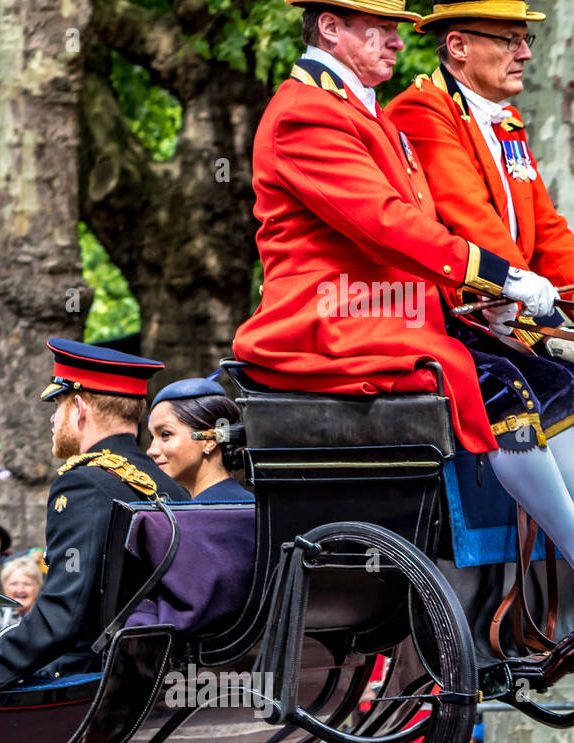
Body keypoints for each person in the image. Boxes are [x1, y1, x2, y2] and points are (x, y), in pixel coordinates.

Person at [232, 0, 574, 567]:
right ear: (330, 28)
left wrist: (485, 297)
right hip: (332, 317)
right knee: (502, 387)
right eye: (382, 28)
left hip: (397, 310)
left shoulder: (361, 109)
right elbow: (388, 225)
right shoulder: (305, 113)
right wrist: (502, 277)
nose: (396, 41)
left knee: (553, 379)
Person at [386, 2, 574, 548]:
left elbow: (549, 230)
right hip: (452, 310)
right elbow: (470, 217)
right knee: (529, 388)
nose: (523, 53)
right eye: (509, 39)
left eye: (526, 41)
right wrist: (513, 285)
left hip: (505, 308)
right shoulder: (422, 109)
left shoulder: (505, 121)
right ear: (459, 46)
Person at [0, 338, 180, 694]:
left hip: (84, 684)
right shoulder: (167, 485)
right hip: (149, 676)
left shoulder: (84, 483)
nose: (53, 418)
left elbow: (61, 619)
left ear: (79, 408)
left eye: (59, 404)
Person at [146, 378, 253, 501]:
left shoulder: (198, 514)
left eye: (165, 434)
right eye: (152, 437)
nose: (151, 451)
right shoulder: (251, 504)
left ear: (209, 439)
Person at [0, 555, 44, 629]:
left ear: (38, 586)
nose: (20, 590)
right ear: (5, 587)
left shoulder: (46, 615)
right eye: (14, 584)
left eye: (27, 584)